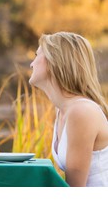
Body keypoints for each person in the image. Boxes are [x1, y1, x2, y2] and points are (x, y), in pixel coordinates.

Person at [29, 31, 108, 186]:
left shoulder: (82, 112)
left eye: (37, 55)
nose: (32, 63)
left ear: (54, 61)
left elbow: (74, 192)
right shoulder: (63, 111)